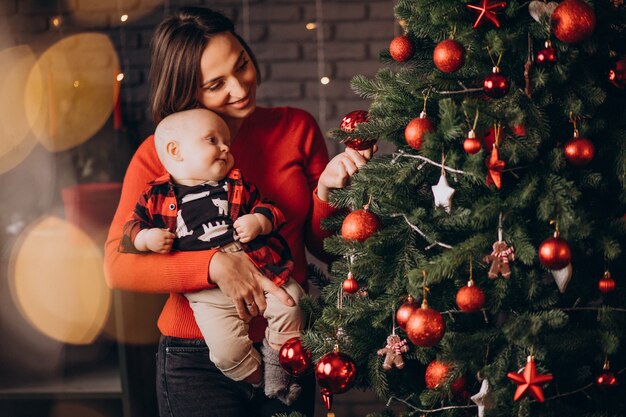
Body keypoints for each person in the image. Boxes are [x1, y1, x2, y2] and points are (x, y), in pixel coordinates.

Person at [104, 6, 374, 417]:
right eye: (216, 84)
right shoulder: (160, 155)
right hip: (194, 360)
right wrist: (211, 266)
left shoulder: (295, 128)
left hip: (288, 346)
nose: (240, 87)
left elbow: (329, 251)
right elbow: (116, 267)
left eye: (242, 64)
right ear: (190, 91)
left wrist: (326, 192)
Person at [119, 108, 305, 405]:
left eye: (226, 141)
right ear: (175, 151)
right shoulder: (156, 196)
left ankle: (277, 369)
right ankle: (256, 379)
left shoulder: (238, 186)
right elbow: (129, 232)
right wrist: (146, 238)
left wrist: (259, 221)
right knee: (224, 349)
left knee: (291, 304)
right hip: (204, 291)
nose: (225, 147)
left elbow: (271, 209)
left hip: (257, 266)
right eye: (212, 140)